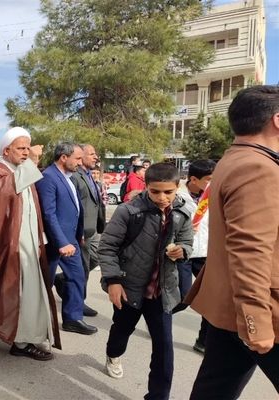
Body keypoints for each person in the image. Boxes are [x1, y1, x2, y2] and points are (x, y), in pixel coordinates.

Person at [186, 85, 279, 399]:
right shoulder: (259, 167)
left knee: (215, 388)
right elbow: (249, 250)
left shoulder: (236, 157)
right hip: (261, 307)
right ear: (277, 121)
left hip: (233, 303)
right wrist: (256, 322)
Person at [0, 127, 61, 361]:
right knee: (16, 294)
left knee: (16, 294)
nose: (26, 152)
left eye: (28, 147)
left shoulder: (19, 171)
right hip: (9, 246)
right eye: (21, 148)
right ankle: (20, 342)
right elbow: (5, 191)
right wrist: (32, 163)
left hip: (28, 245)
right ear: (6, 151)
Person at [98, 162, 193, 400]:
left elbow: (188, 242)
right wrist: (113, 281)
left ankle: (158, 396)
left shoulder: (182, 213)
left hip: (162, 291)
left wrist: (181, 250)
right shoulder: (129, 211)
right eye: (155, 191)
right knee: (122, 329)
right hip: (129, 287)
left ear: (177, 187)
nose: (162, 197)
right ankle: (113, 354)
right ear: (146, 187)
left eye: (168, 192)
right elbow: (107, 247)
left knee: (164, 349)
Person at [36, 142, 97, 335]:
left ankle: (72, 318)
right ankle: (36, 323)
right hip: (55, 243)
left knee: (77, 277)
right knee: (44, 284)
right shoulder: (48, 177)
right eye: (77, 158)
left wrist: (77, 235)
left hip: (71, 240)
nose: (80, 162)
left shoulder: (68, 177)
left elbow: (74, 210)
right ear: (64, 157)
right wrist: (62, 242)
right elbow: (49, 214)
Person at [175, 159, 216, 354]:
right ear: (193, 179)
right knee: (184, 297)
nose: (212, 182)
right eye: (209, 179)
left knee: (212, 298)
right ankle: (158, 315)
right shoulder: (176, 195)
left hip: (205, 252)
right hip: (183, 251)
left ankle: (203, 340)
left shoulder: (215, 195)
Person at [71, 143, 106, 317]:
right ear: (81, 155)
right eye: (91, 154)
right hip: (82, 231)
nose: (95, 157)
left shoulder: (89, 175)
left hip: (94, 229)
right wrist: (78, 232)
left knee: (96, 259)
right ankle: (79, 303)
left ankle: (61, 279)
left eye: (95, 154)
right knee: (83, 268)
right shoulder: (75, 176)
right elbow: (74, 206)